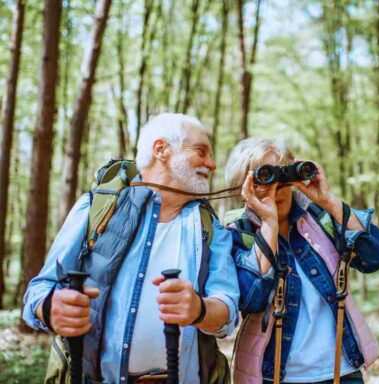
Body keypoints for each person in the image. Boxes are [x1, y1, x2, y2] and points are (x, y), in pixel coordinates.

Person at [23, 113, 239, 384]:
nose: (212, 164)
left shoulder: (210, 226)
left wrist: (200, 309)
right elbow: (38, 291)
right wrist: (51, 307)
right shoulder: (96, 208)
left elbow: (227, 312)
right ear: (161, 150)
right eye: (201, 151)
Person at [224, 138, 379, 384]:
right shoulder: (238, 234)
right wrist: (269, 224)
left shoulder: (320, 219)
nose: (277, 189)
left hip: (341, 371)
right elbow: (251, 298)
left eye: (284, 176)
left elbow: (378, 255)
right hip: (275, 376)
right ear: (244, 187)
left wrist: (328, 201)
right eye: (266, 177)